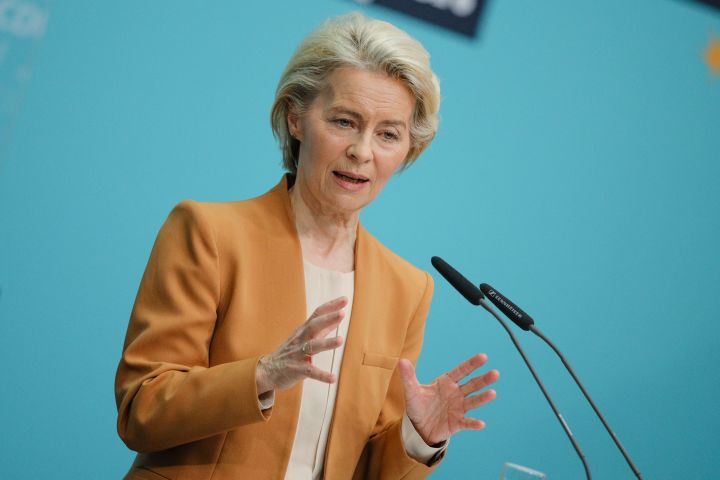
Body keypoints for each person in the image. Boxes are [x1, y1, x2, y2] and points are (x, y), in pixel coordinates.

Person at [115, 12, 499, 480]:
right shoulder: (209, 233)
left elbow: (369, 468)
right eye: (344, 121)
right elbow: (142, 410)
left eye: (388, 134)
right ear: (296, 119)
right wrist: (261, 375)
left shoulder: (407, 287)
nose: (362, 151)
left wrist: (419, 437)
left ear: (407, 151)